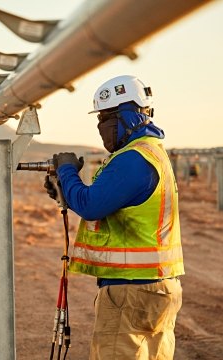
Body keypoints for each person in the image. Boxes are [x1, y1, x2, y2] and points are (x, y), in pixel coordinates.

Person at [44, 75, 184, 359]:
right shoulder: (150, 153)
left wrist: (67, 170)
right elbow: (106, 204)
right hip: (156, 286)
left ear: (129, 115)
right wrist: (66, 194)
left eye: (106, 117)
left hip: (132, 291)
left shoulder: (133, 159)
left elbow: (92, 205)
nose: (101, 127)